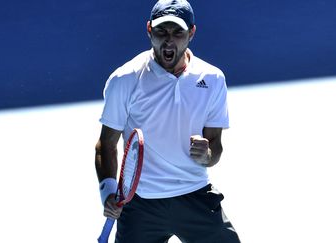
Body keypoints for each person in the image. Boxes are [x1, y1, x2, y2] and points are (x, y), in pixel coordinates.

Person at [95, 0, 241, 242]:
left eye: (177, 32)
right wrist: (108, 193)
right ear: (149, 30)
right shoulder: (125, 79)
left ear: (191, 33)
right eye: (161, 31)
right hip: (141, 204)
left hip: (195, 195)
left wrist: (207, 154)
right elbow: (106, 144)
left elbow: (215, 147)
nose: (169, 41)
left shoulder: (213, 79)